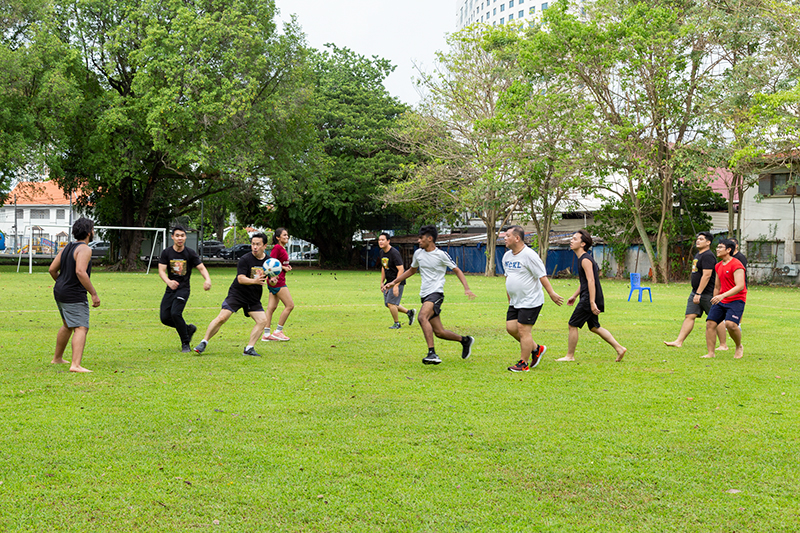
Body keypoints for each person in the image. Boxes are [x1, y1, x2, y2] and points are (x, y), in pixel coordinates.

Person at [384, 225, 475, 365]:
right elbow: (411, 271)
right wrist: (393, 282)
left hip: (436, 293)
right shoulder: (418, 254)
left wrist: (467, 288)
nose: (418, 240)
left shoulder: (441, 255)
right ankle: (465, 340)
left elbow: (457, 270)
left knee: (422, 317)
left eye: (421, 238)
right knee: (439, 332)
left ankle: (432, 353)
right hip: (425, 294)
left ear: (430, 238)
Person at [194, 233, 269, 357]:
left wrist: (273, 280)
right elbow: (240, 279)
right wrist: (254, 281)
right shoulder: (245, 259)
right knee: (222, 317)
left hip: (253, 297)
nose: (254, 247)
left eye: (258, 244)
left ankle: (249, 348)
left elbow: (271, 278)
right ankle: (204, 342)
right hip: (238, 293)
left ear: (265, 246)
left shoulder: (268, 261)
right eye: (253, 244)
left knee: (262, 321)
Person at [557, 230, 627, 362]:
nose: (571, 241)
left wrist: (592, 302)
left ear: (583, 243)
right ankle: (619, 348)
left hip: (589, 298)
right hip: (589, 296)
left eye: (575, 239)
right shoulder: (582, 258)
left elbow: (591, 281)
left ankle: (569, 356)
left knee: (572, 324)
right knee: (595, 326)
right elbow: (584, 282)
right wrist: (574, 295)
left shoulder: (585, 260)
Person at [502, 226, 564, 372]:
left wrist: (552, 293)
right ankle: (536, 349)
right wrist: (509, 297)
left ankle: (523, 363)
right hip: (516, 301)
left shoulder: (529, 255)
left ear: (517, 238)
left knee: (523, 331)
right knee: (511, 328)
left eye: (507, 235)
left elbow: (541, 276)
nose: (504, 238)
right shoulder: (507, 256)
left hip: (531, 299)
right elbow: (508, 278)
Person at [49, 217, 100, 373]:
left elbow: (52, 269)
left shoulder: (66, 248)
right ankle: (75, 365)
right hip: (73, 294)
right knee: (81, 327)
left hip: (59, 291)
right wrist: (93, 293)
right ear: (89, 232)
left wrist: (63, 282)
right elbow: (80, 271)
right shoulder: (85, 249)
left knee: (67, 325)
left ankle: (57, 358)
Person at [664, 232, 727, 349]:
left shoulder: (708, 255)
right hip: (695, 292)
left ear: (708, 242)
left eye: (701, 239)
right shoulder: (698, 254)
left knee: (716, 318)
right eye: (697, 239)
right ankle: (679, 341)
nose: (698, 241)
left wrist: (699, 293)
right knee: (689, 316)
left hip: (707, 293)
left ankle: (723, 345)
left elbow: (707, 275)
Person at [158, 226, 212, 352]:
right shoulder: (167, 253)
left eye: (182, 235)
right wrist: (168, 282)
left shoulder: (190, 253)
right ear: (172, 237)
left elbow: (202, 268)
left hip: (183, 289)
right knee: (165, 318)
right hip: (170, 288)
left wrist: (207, 279)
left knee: (175, 313)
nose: (180, 238)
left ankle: (185, 343)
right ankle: (187, 329)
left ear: (185, 237)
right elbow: (161, 271)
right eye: (177, 235)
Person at [703, 239, 747, 359]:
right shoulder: (718, 266)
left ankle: (739, 346)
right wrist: (715, 299)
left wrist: (722, 295)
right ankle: (710, 353)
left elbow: (740, 286)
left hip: (737, 299)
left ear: (728, 250)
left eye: (720, 247)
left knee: (731, 325)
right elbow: (717, 286)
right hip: (721, 299)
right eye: (717, 247)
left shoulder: (737, 264)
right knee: (710, 323)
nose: (717, 249)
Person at [262, 228, 294, 342]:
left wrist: (285, 267)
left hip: (277, 280)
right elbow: (270, 263)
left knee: (271, 308)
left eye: (287, 235)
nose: (287, 237)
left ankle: (266, 334)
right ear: (277, 237)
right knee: (290, 305)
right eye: (284, 235)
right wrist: (282, 268)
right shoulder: (277, 248)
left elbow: (279, 264)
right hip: (277, 282)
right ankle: (278, 331)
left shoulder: (282, 248)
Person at [378, 232, 415, 329]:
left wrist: (396, 285)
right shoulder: (382, 252)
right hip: (389, 281)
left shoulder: (394, 253)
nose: (380, 242)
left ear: (388, 241)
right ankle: (409, 312)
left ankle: (397, 324)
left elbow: (401, 269)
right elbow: (383, 267)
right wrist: (382, 282)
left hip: (397, 281)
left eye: (383, 240)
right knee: (389, 304)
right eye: (379, 240)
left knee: (391, 303)